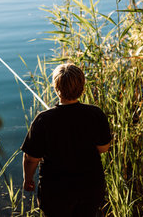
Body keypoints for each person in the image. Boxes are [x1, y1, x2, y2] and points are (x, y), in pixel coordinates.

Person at [21, 63, 112, 217]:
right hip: (90, 188)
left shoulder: (43, 119)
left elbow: (31, 159)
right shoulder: (96, 114)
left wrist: (28, 179)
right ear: (82, 88)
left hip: (56, 192)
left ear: (56, 89)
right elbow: (103, 148)